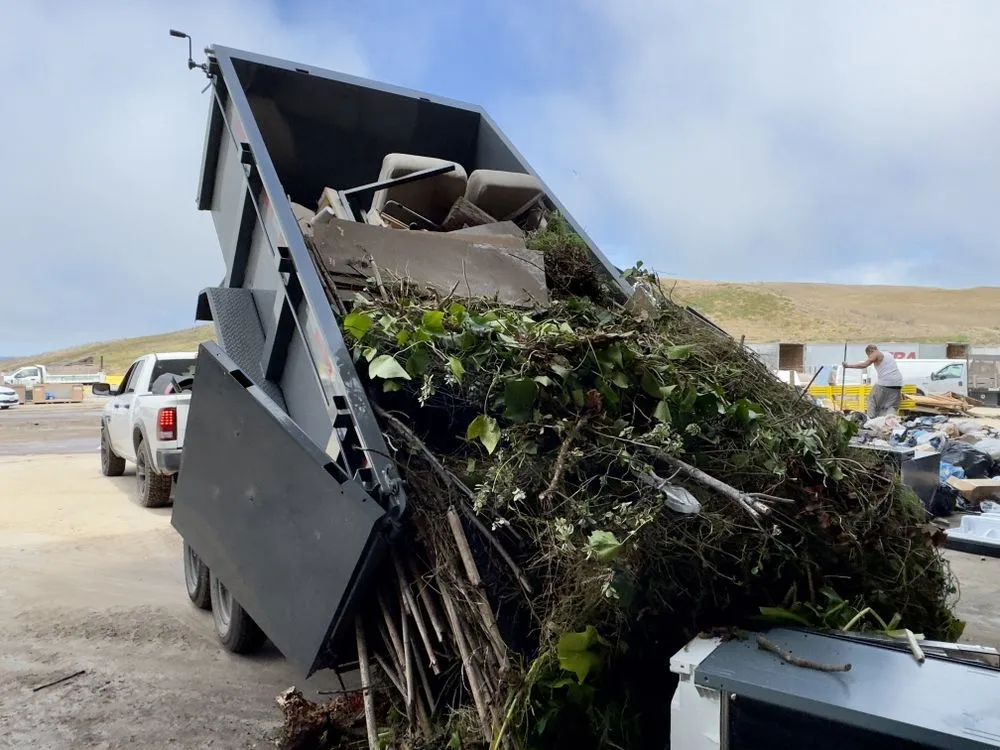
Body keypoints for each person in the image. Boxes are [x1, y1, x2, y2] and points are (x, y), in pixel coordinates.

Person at [842, 345, 903, 417]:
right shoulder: (888, 354)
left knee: (872, 400)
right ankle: (889, 422)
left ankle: (870, 420)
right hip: (898, 384)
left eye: (868, 355)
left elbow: (865, 365)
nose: (869, 357)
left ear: (870, 351)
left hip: (885, 382)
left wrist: (848, 366)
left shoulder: (875, 353)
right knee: (891, 406)